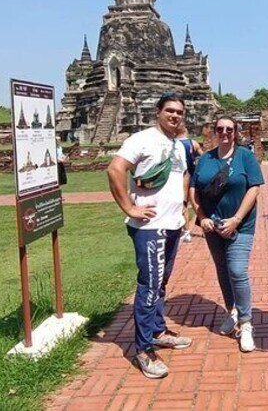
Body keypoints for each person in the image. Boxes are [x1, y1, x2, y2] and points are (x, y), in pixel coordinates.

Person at [106, 92, 192, 379]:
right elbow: (115, 168)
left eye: (179, 112)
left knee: (161, 282)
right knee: (149, 285)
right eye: (170, 111)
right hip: (149, 227)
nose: (175, 116)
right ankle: (143, 349)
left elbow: (182, 175)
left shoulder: (178, 145)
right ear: (158, 112)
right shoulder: (141, 139)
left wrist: (183, 204)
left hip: (172, 223)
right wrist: (129, 207)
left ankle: (156, 330)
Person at [192, 116, 264, 352]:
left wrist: (236, 219)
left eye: (229, 129)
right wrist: (201, 217)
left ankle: (246, 323)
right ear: (214, 131)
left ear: (236, 132)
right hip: (213, 226)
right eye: (220, 129)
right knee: (223, 270)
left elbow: (253, 188)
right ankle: (232, 310)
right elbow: (194, 190)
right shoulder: (205, 159)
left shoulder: (245, 156)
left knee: (236, 270)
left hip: (240, 225)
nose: (225, 133)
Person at [178, 123, 203, 242]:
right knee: (197, 201)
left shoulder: (174, 144)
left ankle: (187, 230)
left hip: (179, 176)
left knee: (184, 204)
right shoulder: (193, 143)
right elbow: (203, 157)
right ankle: (204, 228)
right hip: (193, 175)